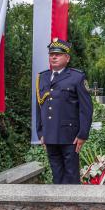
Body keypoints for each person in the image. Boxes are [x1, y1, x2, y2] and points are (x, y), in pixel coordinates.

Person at [36, 38, 93, 184]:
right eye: (51, 54)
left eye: (58, 54)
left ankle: (73, 206)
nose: (53, 57)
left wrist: (82, 134)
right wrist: (40, 132)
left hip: (70, 136)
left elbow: (86, 108)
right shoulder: (42, 78)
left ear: (67, 58)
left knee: (71, 176)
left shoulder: (76, 77)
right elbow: (39, 105)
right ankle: (59, 206)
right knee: (57, 176)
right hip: (49, 135)